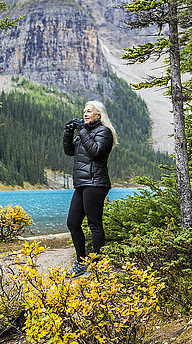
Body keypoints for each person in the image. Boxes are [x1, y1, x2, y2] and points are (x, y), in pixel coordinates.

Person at [63, 100, 117, 278]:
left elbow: (96, 152)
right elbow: (70, 151)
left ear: (98, 115)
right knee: (73, 222)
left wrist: (82, 130)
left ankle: (97, 265)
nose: (85, 114)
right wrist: (68, 133)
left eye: (89, 111)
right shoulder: (84, 132)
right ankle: (81, 263)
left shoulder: (104, 132)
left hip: (96, 183)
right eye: (84, 111)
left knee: (94, 225)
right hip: (82, 184)